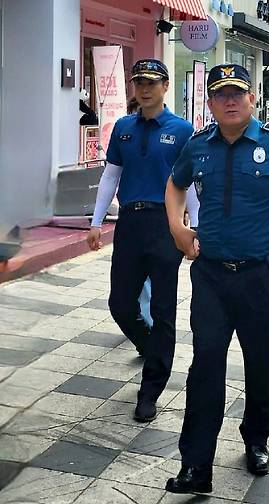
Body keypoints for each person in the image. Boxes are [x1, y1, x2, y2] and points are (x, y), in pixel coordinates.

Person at [163, 65, 269, 494]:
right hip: (212, 277)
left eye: (238, 92)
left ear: (252, 97)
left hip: (263, 275)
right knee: (205, 367)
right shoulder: (198, 145)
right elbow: (175, 185)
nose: (230, 101)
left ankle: (256, 439)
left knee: (260, 365)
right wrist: (178, 228)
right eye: (221, 95)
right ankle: (196, 464)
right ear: (211, 102)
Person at [86, 59, 194, 423]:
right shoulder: (123, 128)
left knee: (164, 308)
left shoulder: (182, 130)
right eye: (139, 82)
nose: (144, 88)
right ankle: (150, 347)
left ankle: (151, 390)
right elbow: (110, 177)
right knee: (120, 302)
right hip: (130, 223)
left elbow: (189, 183)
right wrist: (96, 222)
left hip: (165, 224)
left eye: (151, 82)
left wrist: (198, 228)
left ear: (165, 86)